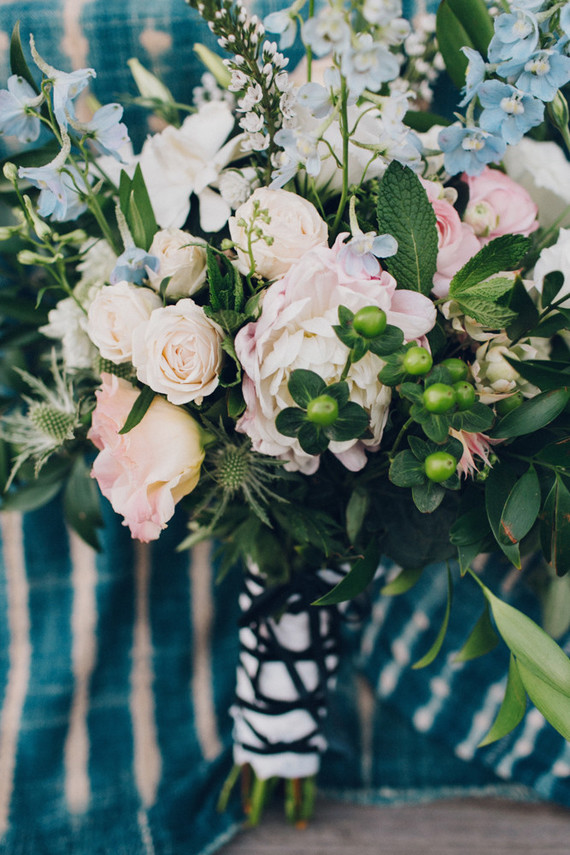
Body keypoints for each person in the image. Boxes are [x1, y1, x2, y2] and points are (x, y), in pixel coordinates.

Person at [0, 2, 569, 854]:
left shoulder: (389, 318)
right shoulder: (263, 346)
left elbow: (373, 340)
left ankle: (277, 760)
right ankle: (273, 759)